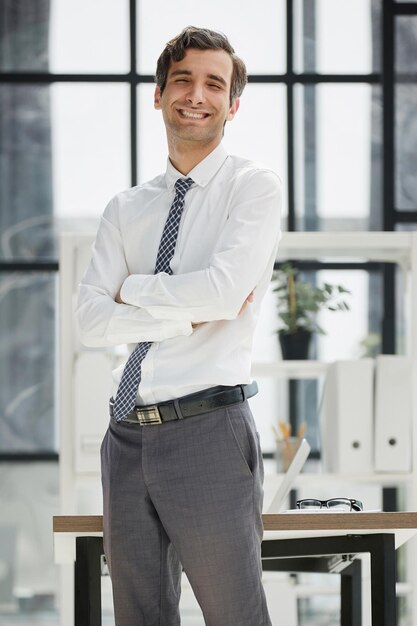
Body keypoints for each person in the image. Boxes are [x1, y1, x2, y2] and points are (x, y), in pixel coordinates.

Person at [76, 25, 281, 626]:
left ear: (232, 104)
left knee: (234, 615)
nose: (197, 94)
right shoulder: (126, 208)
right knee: (138, 617)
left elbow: (222, 294)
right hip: (126, 434)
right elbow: (89, 320)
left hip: (208, 431)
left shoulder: (252, 187)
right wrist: (178, 314)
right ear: (159, 94)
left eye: (214, 84)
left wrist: (133, 291)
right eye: (183, 80)